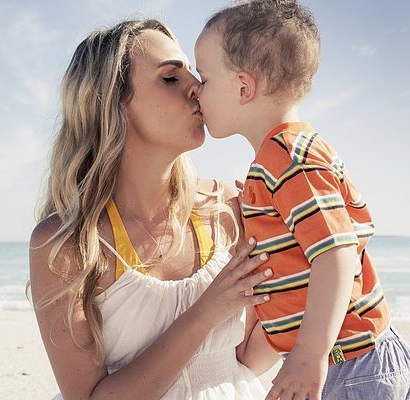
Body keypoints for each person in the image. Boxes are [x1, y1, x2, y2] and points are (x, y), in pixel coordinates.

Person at [29, 19, 280, 400]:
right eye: (169, 78)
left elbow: (244, 359)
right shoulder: (67, 245)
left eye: (193, 74)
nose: (196, 86)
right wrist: (205, 311)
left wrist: (303, 260)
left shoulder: (228, 209)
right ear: (113, 102)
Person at [194, 1, 410, 399]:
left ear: (244, 88)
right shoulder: (282, 161)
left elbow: (336, 253)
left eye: (204, 78)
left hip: (350, 364)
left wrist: (310, 354)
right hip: (348, 361)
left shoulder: (288, 157)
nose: (195, 90)